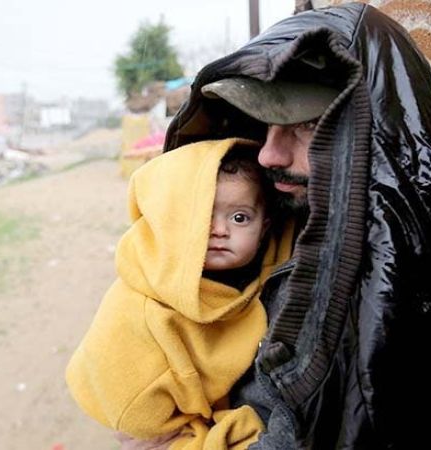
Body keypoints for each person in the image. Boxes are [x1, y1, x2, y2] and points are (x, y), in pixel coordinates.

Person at [161, 3, 431, 449]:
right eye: (268, 125)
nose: (267, 155)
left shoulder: (386, 291)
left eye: (308, 125)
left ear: (369, 134)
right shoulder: (292, 217)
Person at [65, 138, 294, 449]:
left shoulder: (277, 269)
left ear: (265, 227)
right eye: (202, 216)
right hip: (138, 403)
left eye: (239, 217)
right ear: (173, 221)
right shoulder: (150, 300)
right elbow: (133, 408)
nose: (219, 230)